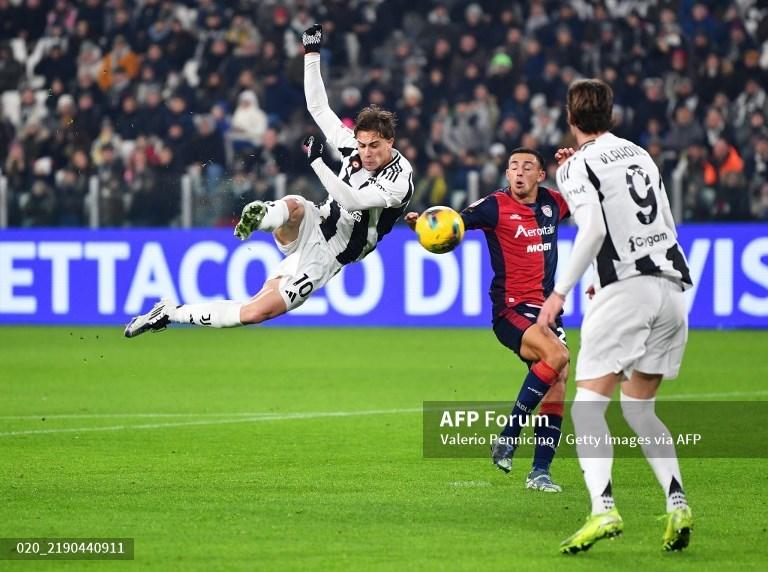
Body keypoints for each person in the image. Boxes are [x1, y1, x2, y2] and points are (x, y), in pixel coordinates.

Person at [124, 24, 413, 337]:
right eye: (362, 145)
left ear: (390, 142)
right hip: (316, 221)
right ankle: (262, 216)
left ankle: (171, 312)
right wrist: (311, 53)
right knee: (296, 206)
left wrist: (317, 162)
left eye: (375, 146)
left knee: (253, 312)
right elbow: (318, 107)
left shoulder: (400, 178)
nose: (366, 153)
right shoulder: (351, 146)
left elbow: (353, 200)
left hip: (330, 256)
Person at [537, 79, 693, 554]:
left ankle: (603, 508)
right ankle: (677, 502)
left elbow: (595, 229)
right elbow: (662, 219)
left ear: (569, 117)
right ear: (613, 115)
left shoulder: (575, 165)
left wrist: (558, 293)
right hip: (670, 289)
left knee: (587, 407)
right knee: (639, 408)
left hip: (627, 291)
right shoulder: (639, 154)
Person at [406, 148, 571, 492]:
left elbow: (592, 197)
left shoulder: (555, 203)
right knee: (558, 357)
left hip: (546, 309)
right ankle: (509, 436)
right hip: (510, 310)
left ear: (541, 175)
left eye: (528, 167)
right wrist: (426, 224)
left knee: (559, 379)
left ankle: (539, 472)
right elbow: (454, 222)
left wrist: (575, 164)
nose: (519, 172)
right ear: (507, 174)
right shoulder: (495, 205)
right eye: (513, 167)